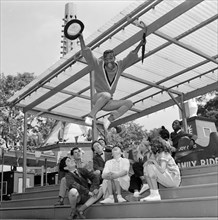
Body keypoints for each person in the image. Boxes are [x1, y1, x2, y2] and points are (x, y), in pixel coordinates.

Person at [78, 33, 146, 131]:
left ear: (114, 58)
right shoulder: (98, 65)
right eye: (106, 59)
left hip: (108, 103)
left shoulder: (120, 65)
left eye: (110, 58)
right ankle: (90, 116)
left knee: (129, 103)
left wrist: (140, 45)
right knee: (106, 95)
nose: (108, 61)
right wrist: (81, 39)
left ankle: (110, 119)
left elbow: (131, 56)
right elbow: (87, 54)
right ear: (103, 60)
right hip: (98, 99)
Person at [140, 136, 181, 202]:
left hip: (173, 179)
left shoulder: (164, 154)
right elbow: (145, 165)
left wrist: (154, 161)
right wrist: (148, 161)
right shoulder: (156, 154)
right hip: (167, 178)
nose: (149, 147)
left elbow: (162, 170)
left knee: (150, 166)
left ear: (155, 146)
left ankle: (156, 194)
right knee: (147, 166)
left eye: (150, 145)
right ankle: (152, 193)